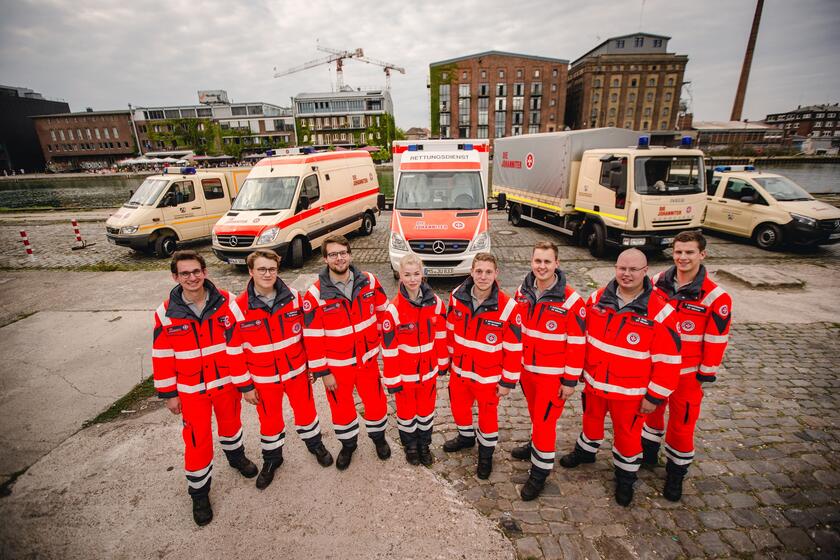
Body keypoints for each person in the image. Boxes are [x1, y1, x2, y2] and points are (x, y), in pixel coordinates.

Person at [558, 248, 681, 507]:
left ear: (645, 271)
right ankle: (586, 452)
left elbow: (669, 362)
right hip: (595, 385)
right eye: (622, 268)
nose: (626, 274)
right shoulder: (597, 299)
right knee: (590, 423)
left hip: (630, 394)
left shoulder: (660, 312)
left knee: (628, 438)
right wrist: (577, 372)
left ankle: (625, 478)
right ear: (615, 268)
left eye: (633, 269)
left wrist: (655, 396)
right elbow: (582, 339)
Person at [152, 250, 258, 526]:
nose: (192, 277)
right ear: (175, 277)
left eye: (196, 271)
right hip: (191, 390)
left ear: (205, 272)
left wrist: (246, 379)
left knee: (231, 425)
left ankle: (236, 457)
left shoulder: (227, 301)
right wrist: (169, 394)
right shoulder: (165, 313)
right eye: (185, 273)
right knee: (197, 441)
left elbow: (242, 340)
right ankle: (199, 494)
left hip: (226, 384)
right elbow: (162, 355)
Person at [227, 249, 334, 490]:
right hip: (263, 379)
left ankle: (315, 444)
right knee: (269, 421)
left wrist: (312, 366)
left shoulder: (294, 297)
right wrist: (245, 386)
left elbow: (307, 335)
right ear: (251, 271)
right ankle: (273, 459)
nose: (267, 274)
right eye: (262, 269)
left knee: (307, 412)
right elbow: (234, 352)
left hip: (296, 373)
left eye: (272, 269)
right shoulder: (238, 308)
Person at [642, 231, 732, 501]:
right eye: (678, 252)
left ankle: (675, 473)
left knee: (682, 424)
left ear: (702, 254)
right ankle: (648, 455)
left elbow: (716, 339)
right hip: (656, 370)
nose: (683, 257)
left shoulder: (716, 297)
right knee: (651, 414)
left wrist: (706, 373)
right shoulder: (656, 282)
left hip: (687, 375)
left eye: (689, 252)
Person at [302, 235, 391, 470]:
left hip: (367, 362)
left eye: (343, 253)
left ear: (350, 255)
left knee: (376, 403)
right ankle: (348, 445)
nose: (339, 258)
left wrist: (377, 344)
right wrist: (323, 372)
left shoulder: (370, 281)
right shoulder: (315, 294)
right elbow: (312, 338)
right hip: (337, 367)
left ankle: (379, 439)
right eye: (333, 254)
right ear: (325, 259)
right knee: (341, 409)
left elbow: (384, 313)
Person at [511, 241, 587, 500]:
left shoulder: (572, 301)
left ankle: (539, 473)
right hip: (528, 372)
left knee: (545, 424)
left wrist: (570, 380)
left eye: (547, 261)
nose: (541, 266)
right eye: (537, 261)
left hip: (552, 377)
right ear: (531, 262)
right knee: (536, 416)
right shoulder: (523, 291)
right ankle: (535, 446)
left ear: (557, 263)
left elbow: (577, 343)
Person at [443, 252, 523, 479]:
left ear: (496, 273)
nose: (483, 276)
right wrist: (449, 362)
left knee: (488, 418)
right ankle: (466, 437)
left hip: (488, 378)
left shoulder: (508, 307)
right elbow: (450, 331)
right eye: (479, 271)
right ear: (471, 272)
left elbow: (514, 348)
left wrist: (507, 381)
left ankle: (486, 456)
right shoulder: (457, 296)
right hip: (460, 372)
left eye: (488, 272)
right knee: (459, 408)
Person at [381, 254, 449, 466]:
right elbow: (389, 349)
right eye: (407, 275)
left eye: (416, 274)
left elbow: (441, 336)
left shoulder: (436, 304)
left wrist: (443, 363)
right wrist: (393, 380)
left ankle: (424, 445)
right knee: (406, 414)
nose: (412, 279)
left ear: (422, 274)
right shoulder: (393, 310)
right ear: (400, 276)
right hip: (405, 376)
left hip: (428, 373)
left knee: (426, 412)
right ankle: (410, 447)